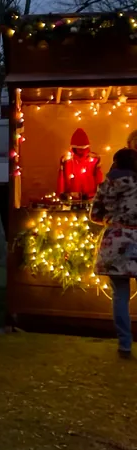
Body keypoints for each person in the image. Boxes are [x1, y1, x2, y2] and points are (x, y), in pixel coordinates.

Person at [90, 147, 137, 359]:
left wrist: (113, 221)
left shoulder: (106, 185)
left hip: (114, 241)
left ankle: (124, 344)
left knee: (120, 296)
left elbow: (95, 215)